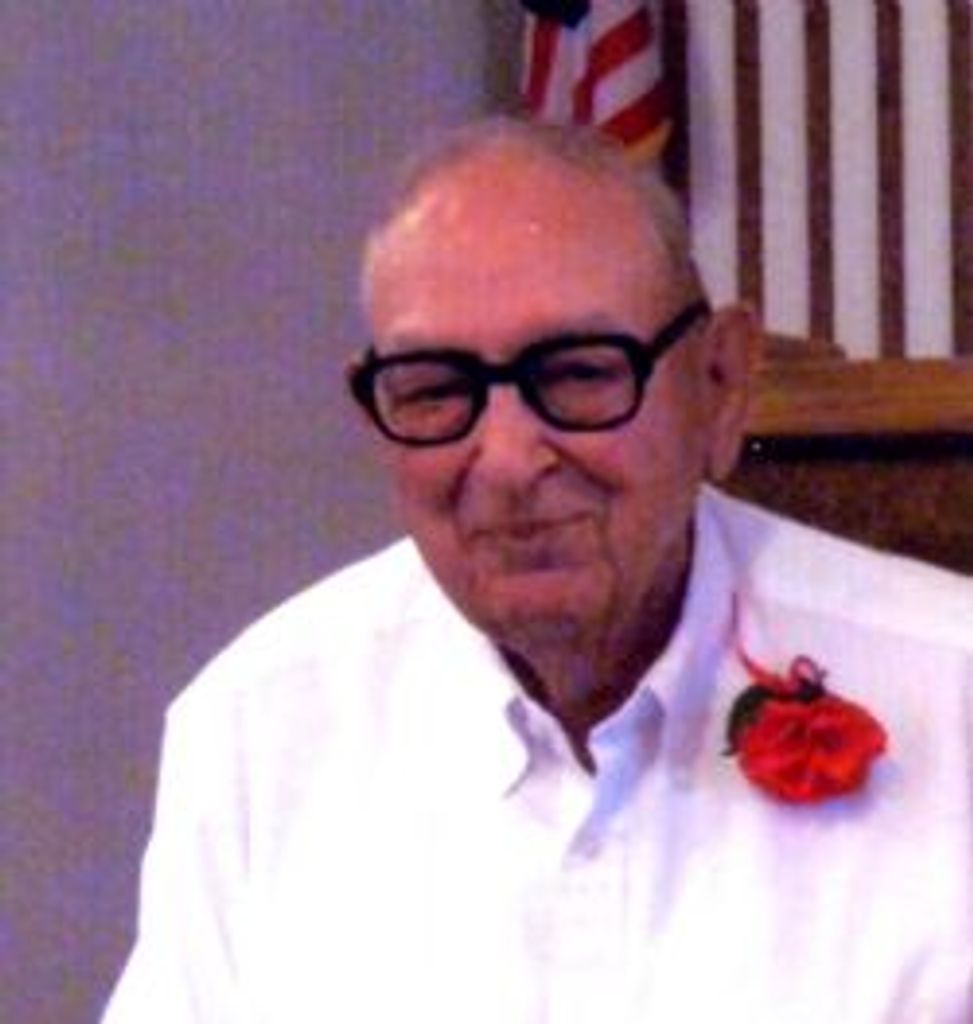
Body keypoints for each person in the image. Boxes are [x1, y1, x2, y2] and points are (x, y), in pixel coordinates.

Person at [102, 118, 973, 1023]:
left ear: (718, 382)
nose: (509, 460)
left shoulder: (951, 695)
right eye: (436, 389)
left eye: (578, 374)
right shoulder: (259, 728)